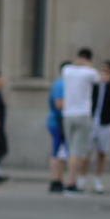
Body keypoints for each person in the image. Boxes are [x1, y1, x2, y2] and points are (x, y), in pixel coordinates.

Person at [60, 48, 99, 194]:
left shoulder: (67, 70)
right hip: (82, 113)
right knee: (78, 152)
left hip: (68, 114)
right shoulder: (90, 72)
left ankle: (71, 180)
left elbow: (66, 69)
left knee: (71, 150)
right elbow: (99, 79)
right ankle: (72, 182)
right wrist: (88, 65)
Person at [80, 60, 110, 193]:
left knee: (102, 152)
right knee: (87, 151)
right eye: (103, 71)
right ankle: (82, 178)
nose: (104, 73)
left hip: (106, 123)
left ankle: (98, 179)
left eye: (107, 71)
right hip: (92, 121)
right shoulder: (95, 85)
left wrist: (107, 84)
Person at [47, 61, 69, 193]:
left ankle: (58, 179)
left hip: (58, 122)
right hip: (57, 122)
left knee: (60, 152)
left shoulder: (60, 83)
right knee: (57, 152)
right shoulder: (61, 84)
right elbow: (59, 104)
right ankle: (55, 180)